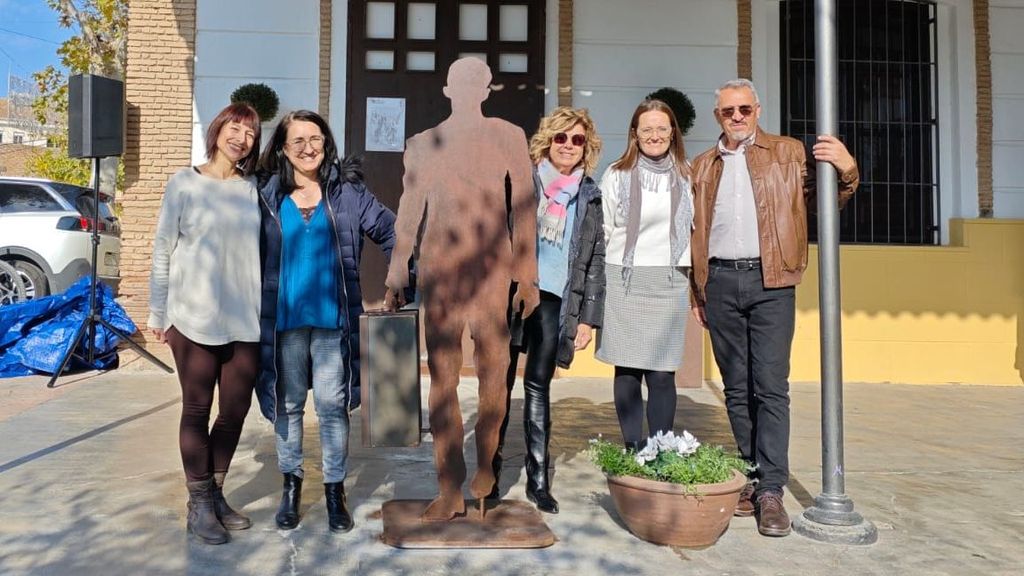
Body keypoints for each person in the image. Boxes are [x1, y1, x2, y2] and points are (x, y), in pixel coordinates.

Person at [690, 78, 858, 537]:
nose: (738, 117)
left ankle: (771, 490)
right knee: (736, 388)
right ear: (717, 117)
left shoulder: (788, 153)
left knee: (770, 386)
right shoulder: (702, 166)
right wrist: (697, 292)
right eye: (729, 111)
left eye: (745, 109)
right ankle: (750, 474)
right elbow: (693, 232)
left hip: (773, 279)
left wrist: (847, 170)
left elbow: (825, 204)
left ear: (758, 109)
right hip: (720, 281)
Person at [384, 57, 539, 522]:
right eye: (462, 82)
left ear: (487, 91)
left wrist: (527, 275)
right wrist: (397, 271)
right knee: (444, 381)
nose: (470, 89)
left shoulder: (509, 136)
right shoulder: (424, 143)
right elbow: (409, 211)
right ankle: (449, 486)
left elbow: (525, 208)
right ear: (449, 90)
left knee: (496, 376)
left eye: (478, 82)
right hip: (442, 275)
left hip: (494, 273)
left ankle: (487, 466)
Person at [256, 110, 398, 533]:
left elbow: (392, 231)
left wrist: (397, 281)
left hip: (334, 322)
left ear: (326, 141)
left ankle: (335, 491)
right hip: (284, 324)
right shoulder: (264, 194)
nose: (307, 148)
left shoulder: (347, 192)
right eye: (297, 141)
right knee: (290, 406)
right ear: (282, 148)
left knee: (333, 408)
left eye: (314, 138)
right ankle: (292, 486)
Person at [149, 102, 262, 545]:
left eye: (250, 133)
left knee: (234, 411)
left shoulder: (253, 188)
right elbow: (162, 249)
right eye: (235, 128)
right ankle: (198, 504)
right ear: (217, 130)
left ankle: (214, 494)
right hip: (193, 317)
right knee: (196, 410)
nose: (241, 138)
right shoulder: (184, 183)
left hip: (244, 319)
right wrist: (159, 313)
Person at [492, 107, 606, 514]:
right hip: (511, 295)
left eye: (577, 140)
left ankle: (538, 480)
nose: (569, 147)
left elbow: (595, 260)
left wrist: (589, 318)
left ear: (586, 147)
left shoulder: (590, 195)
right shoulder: (520, 182)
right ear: (548, 141)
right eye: (562, 138)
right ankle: (489, 472)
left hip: (557, 299)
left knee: (538, 386)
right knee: (498, 385)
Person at [595, 99, 694, 451]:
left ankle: (660, 449)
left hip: (669, 281)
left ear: (673, 133)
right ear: (635, 134)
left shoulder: (688, 175)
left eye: (661, 128)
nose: (654, 135)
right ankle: (633, 448)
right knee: (628, 370)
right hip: (625, 279)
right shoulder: (616, 175)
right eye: (647, 129)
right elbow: (604, 230)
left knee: (662, 373)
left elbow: (696, 229)